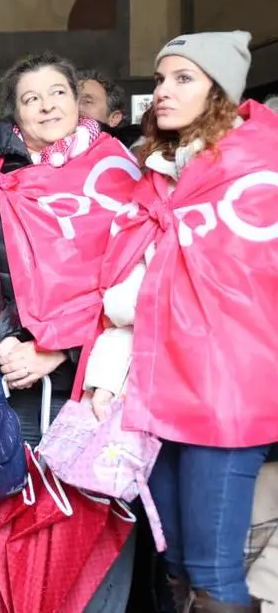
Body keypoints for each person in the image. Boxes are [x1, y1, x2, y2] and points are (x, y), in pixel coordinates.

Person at [86, 31, 277, 612]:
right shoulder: (160, 177)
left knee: (213, 572)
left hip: (227, 392)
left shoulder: (258, 170)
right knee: (174, 565)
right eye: (161, 78)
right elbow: (130, 289)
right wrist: (109, 376)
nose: (161, 91)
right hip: (157, 389)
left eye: (183, 79)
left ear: (219, 90)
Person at [0, 53, 142, 613]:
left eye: (58, 92)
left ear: (77, 98)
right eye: (32, 99)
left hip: (95, 369)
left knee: (93, 502)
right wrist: (8, 340)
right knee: (10, 505)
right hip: (8, 370)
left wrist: (58, 350)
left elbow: (133, 272)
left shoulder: (117, 171)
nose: (47, 105)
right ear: (15, 114)